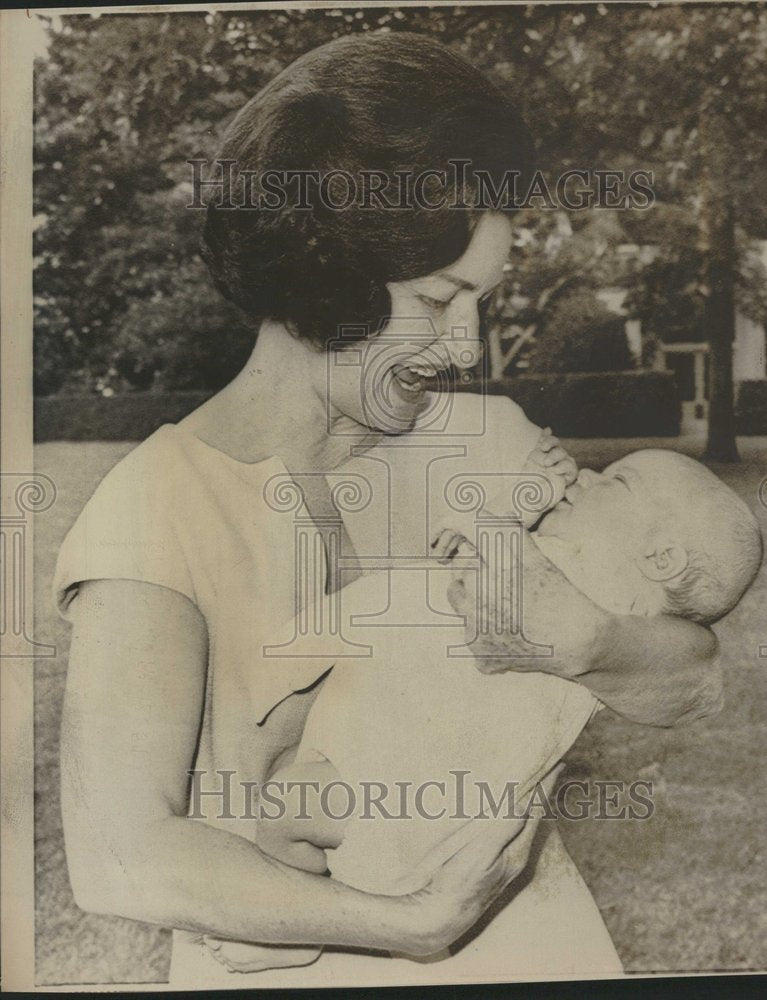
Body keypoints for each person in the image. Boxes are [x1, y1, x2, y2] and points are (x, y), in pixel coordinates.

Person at [56, 32, 722, 988]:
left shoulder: (487, 443)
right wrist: (402, 925)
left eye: (480, 302)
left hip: (542, 950)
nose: (466, 348)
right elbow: (119, 852)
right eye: (439, 300)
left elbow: (696, 677)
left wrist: (583, 643)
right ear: (324, 268)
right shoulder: (153, 512)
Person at [203, 435, 760, 978]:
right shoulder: (597, 595)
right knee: (297, 806)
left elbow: (469, 557)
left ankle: (292, 930)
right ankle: (304, 920)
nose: (586, 475)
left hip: (423, 807)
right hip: (448, 822)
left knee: (291, 808)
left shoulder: (585, 589)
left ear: (659, 556)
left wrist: (519, 498)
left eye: (617, 480)